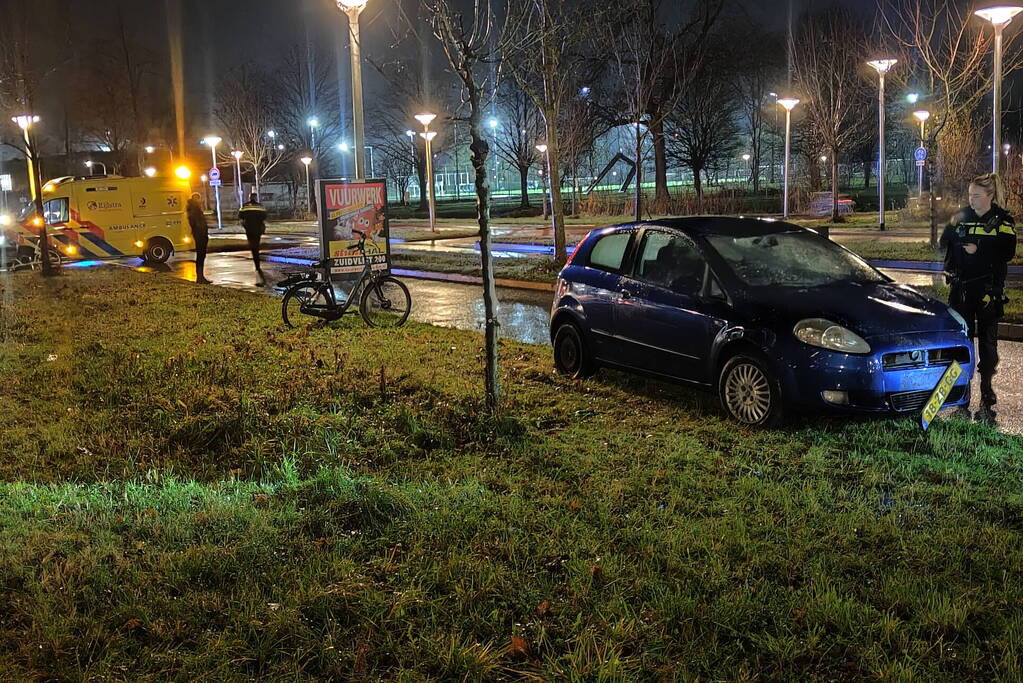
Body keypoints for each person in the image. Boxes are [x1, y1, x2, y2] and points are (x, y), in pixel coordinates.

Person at [940, 172, 1017, 423]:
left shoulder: (1003, 220)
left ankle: (986, 393)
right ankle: (961, 393)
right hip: (961, 291)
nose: (971, 200)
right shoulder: (961, 216)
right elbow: (946, 242)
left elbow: (1007, 251)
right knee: (961, 345)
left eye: (976, 196)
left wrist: (979, 248)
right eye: (969, 195)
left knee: (988, 347)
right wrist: (949, 266)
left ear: (990, 196)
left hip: (988, 292)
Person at [238, 192, 268, 284]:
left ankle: (256, 263)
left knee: (252, 246)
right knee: (256, 246)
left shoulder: (245, 206)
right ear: (256, 198)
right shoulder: (260, 206)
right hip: (257, 230)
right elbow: (264, 216)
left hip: (249, 230)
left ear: (249, 197)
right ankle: (257, 263)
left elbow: (240, 216)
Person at [186, 193, 211, 284]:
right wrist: (202, 232)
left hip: (200, 234)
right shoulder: (194, 209)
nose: (200, 200)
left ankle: (201, 277)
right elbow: (196, 223)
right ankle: (200, 278)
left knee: (201, 256)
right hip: (200, 234)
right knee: (201, 255)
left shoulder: (195, 209)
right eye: (198, 199)